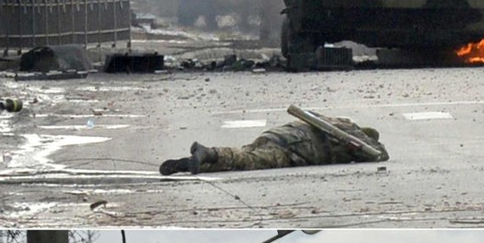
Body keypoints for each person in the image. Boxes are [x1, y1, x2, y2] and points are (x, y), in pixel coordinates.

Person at [160, 105, 387, 174]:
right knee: (249, 160)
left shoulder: (334, 121)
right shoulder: (353, 135)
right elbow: (380, 154)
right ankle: (209, 153)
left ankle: (191, 163)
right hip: (296, 150)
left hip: (279, 135)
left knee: (243, 157)